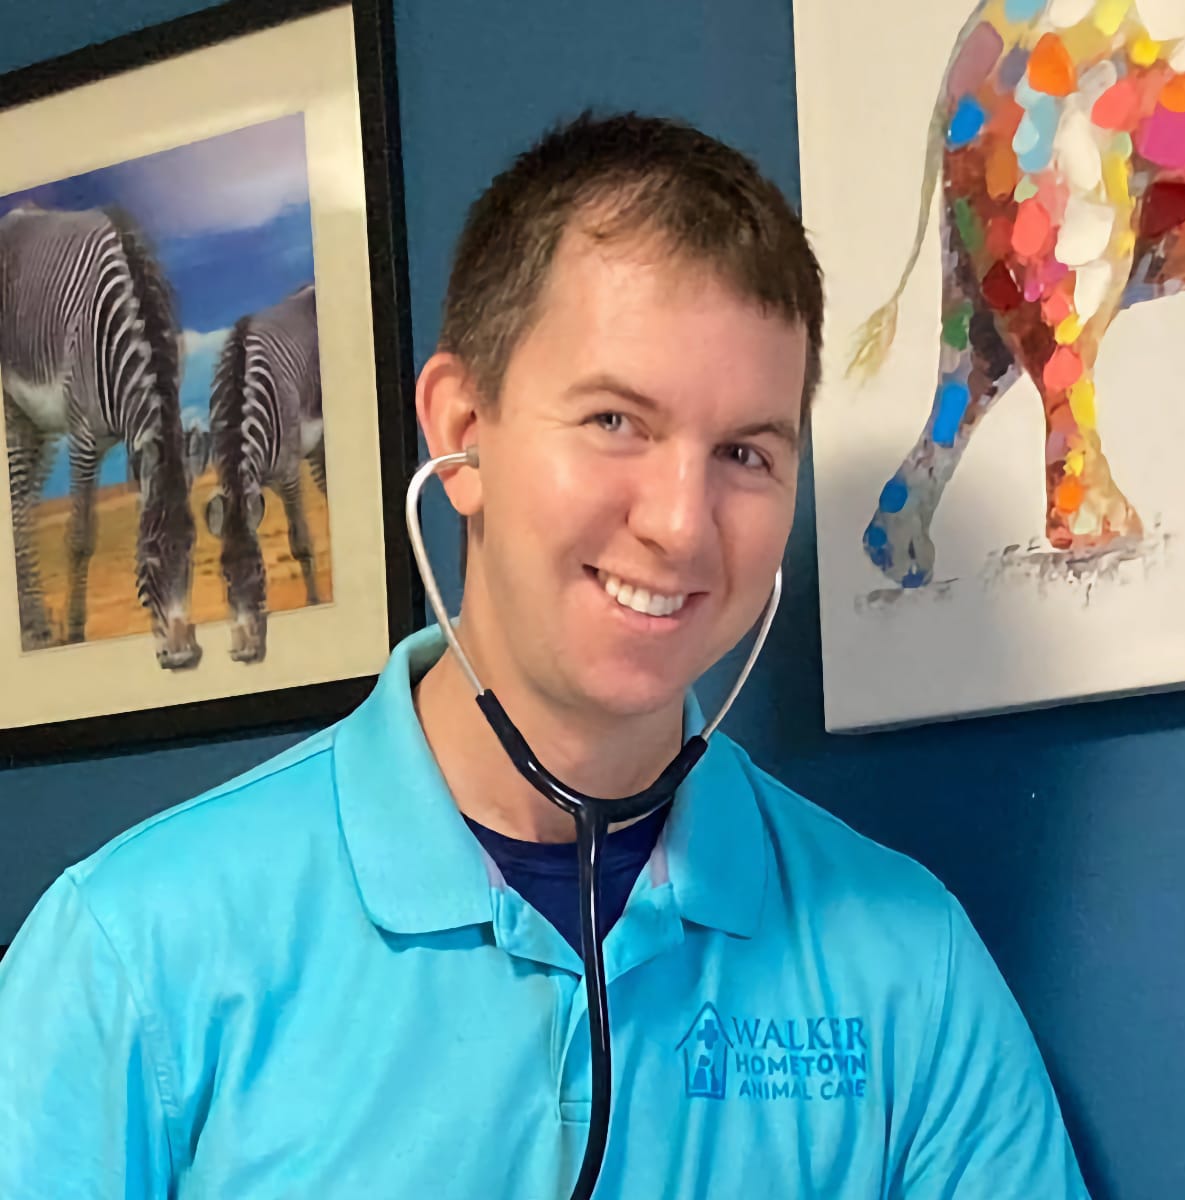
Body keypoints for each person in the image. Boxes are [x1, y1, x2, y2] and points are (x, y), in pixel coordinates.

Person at [0, 111, 1091, 1198]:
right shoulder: (130, 957)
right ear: (461, 428)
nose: (681, 522)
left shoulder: (912, 971)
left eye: (746, 452)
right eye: (617, 420)